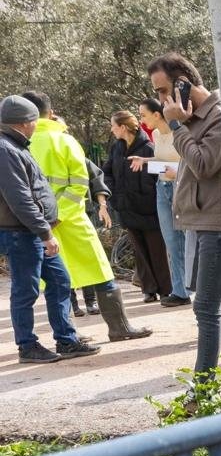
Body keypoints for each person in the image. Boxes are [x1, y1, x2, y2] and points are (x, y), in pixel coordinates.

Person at [21, 91, 151, 343]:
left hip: (37, 224)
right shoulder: (64, 141)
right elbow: (80, 183)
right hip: (71, 221)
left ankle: (69, 333)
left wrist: (40, 219)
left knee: (55, 281)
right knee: (101, 272)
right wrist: (59, 215)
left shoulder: (18, 144)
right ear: (50, 112)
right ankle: (119, 327)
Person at [150, 54, 221, 370]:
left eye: (163, 91)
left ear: (183, 83)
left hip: (220, 226)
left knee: (206, 308)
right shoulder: (195, 120)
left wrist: (176, 125)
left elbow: (204, 164)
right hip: (205, 222)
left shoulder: (220, 117)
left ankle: (201, 395)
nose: (161, 100)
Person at [0, 94, 98, 363]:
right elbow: (19, 198)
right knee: (25, 290)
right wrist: (44, 233)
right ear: (23, 123)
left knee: (59, 280)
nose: (36, 124)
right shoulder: (6, 149)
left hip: (31, 232)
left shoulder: (15, 145)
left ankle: (66, 340)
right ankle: (27, 347)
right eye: (34, 120)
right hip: (22, 234)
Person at [103, 109, 175, 304]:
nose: (111, 130)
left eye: (113, 126)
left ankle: (166, 289)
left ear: (123, 127)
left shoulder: (148, 147)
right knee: (139, 251)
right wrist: (113, 193)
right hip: (126, 208)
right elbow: (107, 172)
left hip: (149, 208)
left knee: (157, 250)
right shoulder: (116, 148)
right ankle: (148, 289)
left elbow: (159, 173)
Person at [135, 97, 189, 307]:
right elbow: (163, 162)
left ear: (157, 115)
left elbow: (187, 163)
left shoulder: (181, 132)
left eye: (143, 115)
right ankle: (180, 290)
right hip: (163, 188)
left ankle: (196, 288)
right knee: (172, 241)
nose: (141, 121)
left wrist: (174, 171)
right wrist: (146, 162)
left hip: (181, 188)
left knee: (189, 238)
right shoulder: (157, 134)